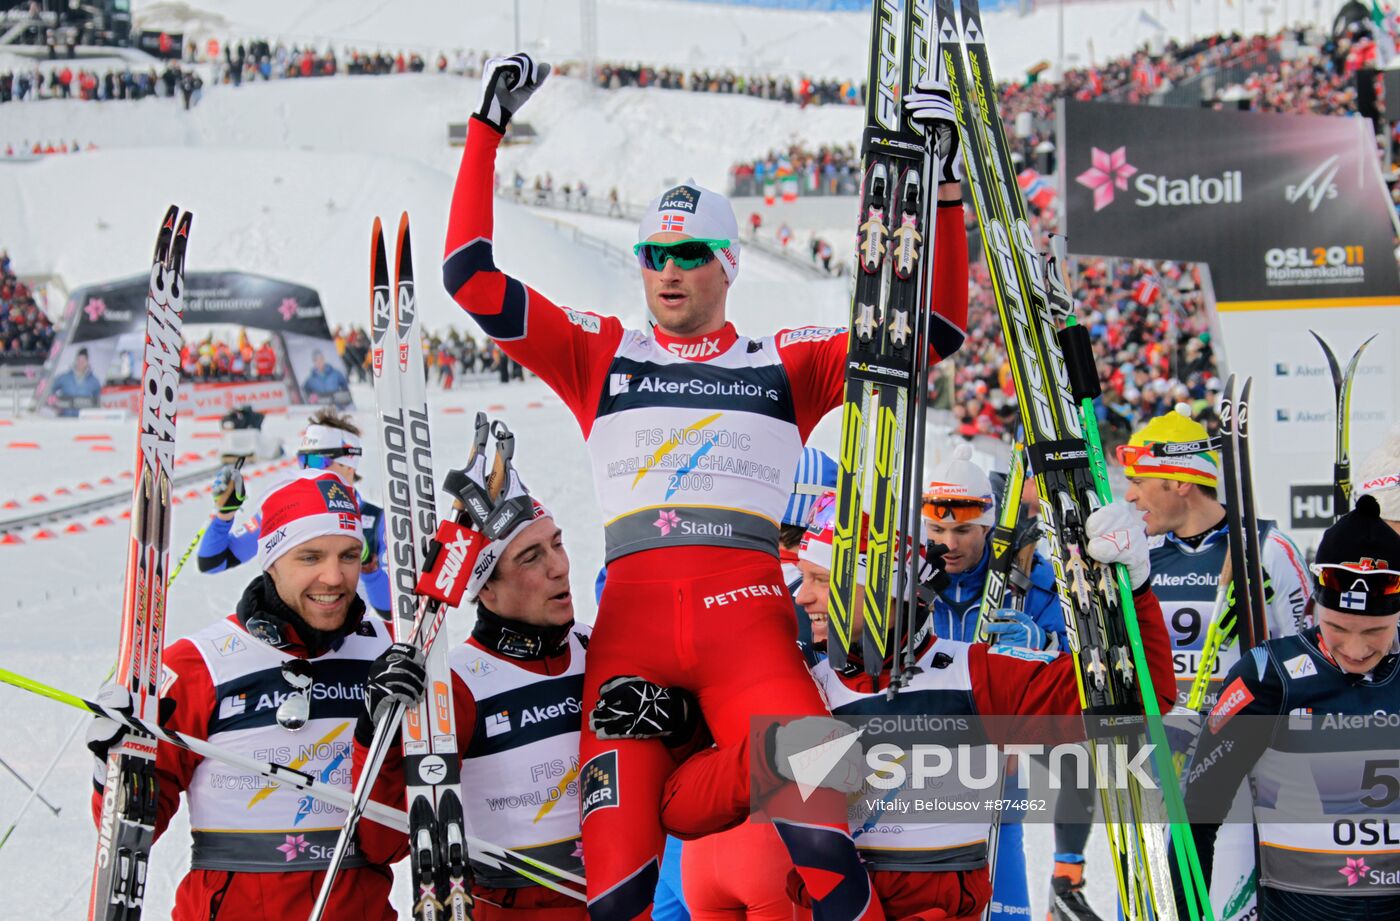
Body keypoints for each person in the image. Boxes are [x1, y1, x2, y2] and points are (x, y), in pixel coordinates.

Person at [444, 52, 969, 921]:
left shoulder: (784, 361)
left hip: (748, 629)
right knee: (613, 891)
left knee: (825, 835)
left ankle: (701, 760)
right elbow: (471, 276)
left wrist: (945, 192)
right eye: (654, 253)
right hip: (631, 642)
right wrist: (486, 129)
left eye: (689, 253)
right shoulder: (602, 352)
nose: (668, 270)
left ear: (729, 262)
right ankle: (690, 757)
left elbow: (935, 331)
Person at [646, 491, 1176, 921]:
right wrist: (758, 752)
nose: (802, 596)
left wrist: (1139, 587)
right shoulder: (799, 683)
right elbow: (683, 810)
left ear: (880, 589)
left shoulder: (976, 673)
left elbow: (1135, 701)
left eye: (821, 581)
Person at [354, 466, 699, 921]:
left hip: (635, 900)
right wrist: (373, 730)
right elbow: (384, 844)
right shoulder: (457, 683)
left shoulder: (603, 648)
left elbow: (690, 784)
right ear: (488, 590)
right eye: (531, 557)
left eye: (557, 544)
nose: (560, 567)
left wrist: (682, 723)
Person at [85, 471, 403, 920]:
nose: (333, 577)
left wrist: (382, 741)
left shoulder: (386, 656)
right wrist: (112, 766)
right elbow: (133, 830)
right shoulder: (199, 664)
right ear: (270, 560)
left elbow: (393, 842)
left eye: (349, 555)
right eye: (310, 557)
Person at [1047, 406, 1312, 921]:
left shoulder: (1267, 548)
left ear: (1181, 483)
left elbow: (1306, 655)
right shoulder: (1136, 552)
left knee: (1220, 905)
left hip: (1235, 773)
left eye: (1139, 482)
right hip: (1153, 771)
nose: (1129, 495)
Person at [1180, 493, 1400, 919]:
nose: (1355, 649)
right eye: (1336, 627)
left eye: (1375, 631)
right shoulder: (1268, 675)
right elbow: (1196, 815)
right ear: (1315, 607)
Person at [918, 444, 1064, 921]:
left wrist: (1043, 643)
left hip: (999, 784)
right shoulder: (903, 579)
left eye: (964, 530)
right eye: (937, 530)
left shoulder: (1032, 581)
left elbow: (1074, 672)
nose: (950, 544)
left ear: (988, 527)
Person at [198, 409, 391, 618]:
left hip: (346, 640)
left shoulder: (375, 521)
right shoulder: (287, 508)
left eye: (318, 462)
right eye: (303, 461)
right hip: (290, 639)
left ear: (348, 465)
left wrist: (369, 569)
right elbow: (213, 561)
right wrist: (225, 515)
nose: (307, 470)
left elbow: (391, 610)